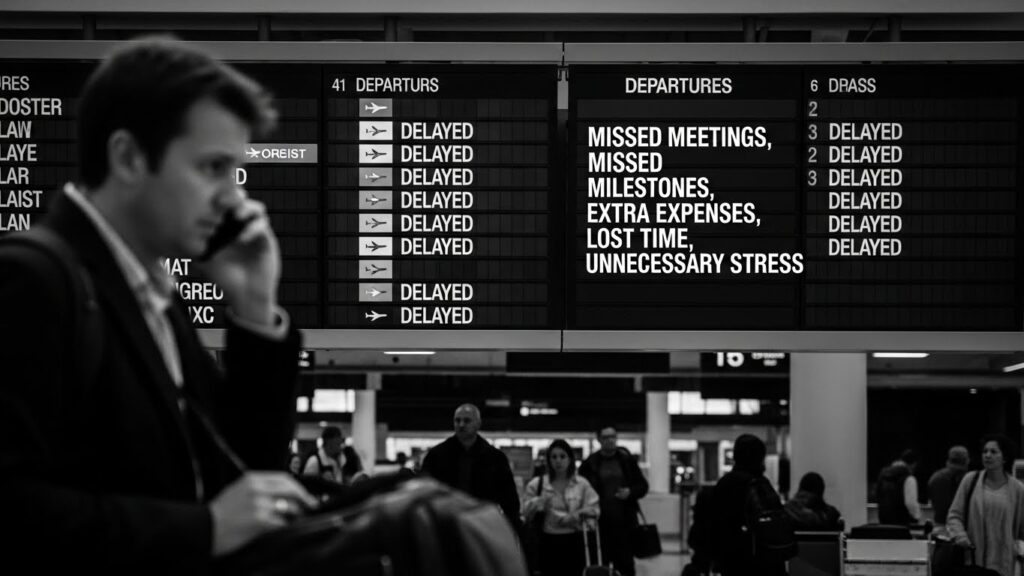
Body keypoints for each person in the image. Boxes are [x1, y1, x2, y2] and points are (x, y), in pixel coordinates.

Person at [0, 37, 315, 572]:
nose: (234, 199)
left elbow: (240, 475)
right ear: (128, 156)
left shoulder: (151, 299)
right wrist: (203, 529)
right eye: (212, 168)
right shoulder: (31, 280)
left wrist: (255, 305)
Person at [420, 404, 521, 528]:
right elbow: (424, 491)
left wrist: (511, 526)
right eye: (457, 420)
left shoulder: (495, 458)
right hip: (445, 523)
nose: (461, 424)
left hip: (483, 523)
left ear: (478, 424)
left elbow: (509, 498)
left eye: (467, 420)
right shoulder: (436, 455)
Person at [709, 434, 787, 576]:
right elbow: (777, 521)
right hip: (761, 562)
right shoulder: (759, 485)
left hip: (730, 562)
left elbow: (711, 525)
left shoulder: (724, 484)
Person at [947, 434, 1024, 576]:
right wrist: (960, 536)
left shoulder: (1017, 489)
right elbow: (954, 515)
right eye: (985, 451)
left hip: (1004, 563)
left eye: (993, 452)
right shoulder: (970, 480)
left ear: (1005, 458)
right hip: (973, 560)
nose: (987, 455)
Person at [579, 424, 650, 576]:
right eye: (606, 437)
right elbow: (581, 489)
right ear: (599, 439)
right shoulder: (590, 463)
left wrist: (630, 492)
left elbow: (643, 486)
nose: (610, 441)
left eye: (613, 437)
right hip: (600, 524)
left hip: (625, 523)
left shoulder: (627, 461)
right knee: (601, 566)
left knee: (625, 566)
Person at [522, 439, 600, 576]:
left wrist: (578, 514)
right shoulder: (537, 484)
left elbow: (595, 509)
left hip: (575, 540)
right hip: (546, 542)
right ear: (548, 460)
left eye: (562, 456)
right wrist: (538, 504)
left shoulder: (581, 484)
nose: (558, 461)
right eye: (554, 457)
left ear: (570, 459)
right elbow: (524, 513)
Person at [876, 449, 922, 525]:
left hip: (884, 522)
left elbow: (878, 496)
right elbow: (910, 503)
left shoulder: (883, 475)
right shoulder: (908, 478)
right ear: (914, 464)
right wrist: (917, 517)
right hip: (902, 524)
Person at [927, 445, 970, 526]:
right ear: (966, 461)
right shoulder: (968, 479)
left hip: (939, 525)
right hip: (960, 527)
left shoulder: (935, 477)